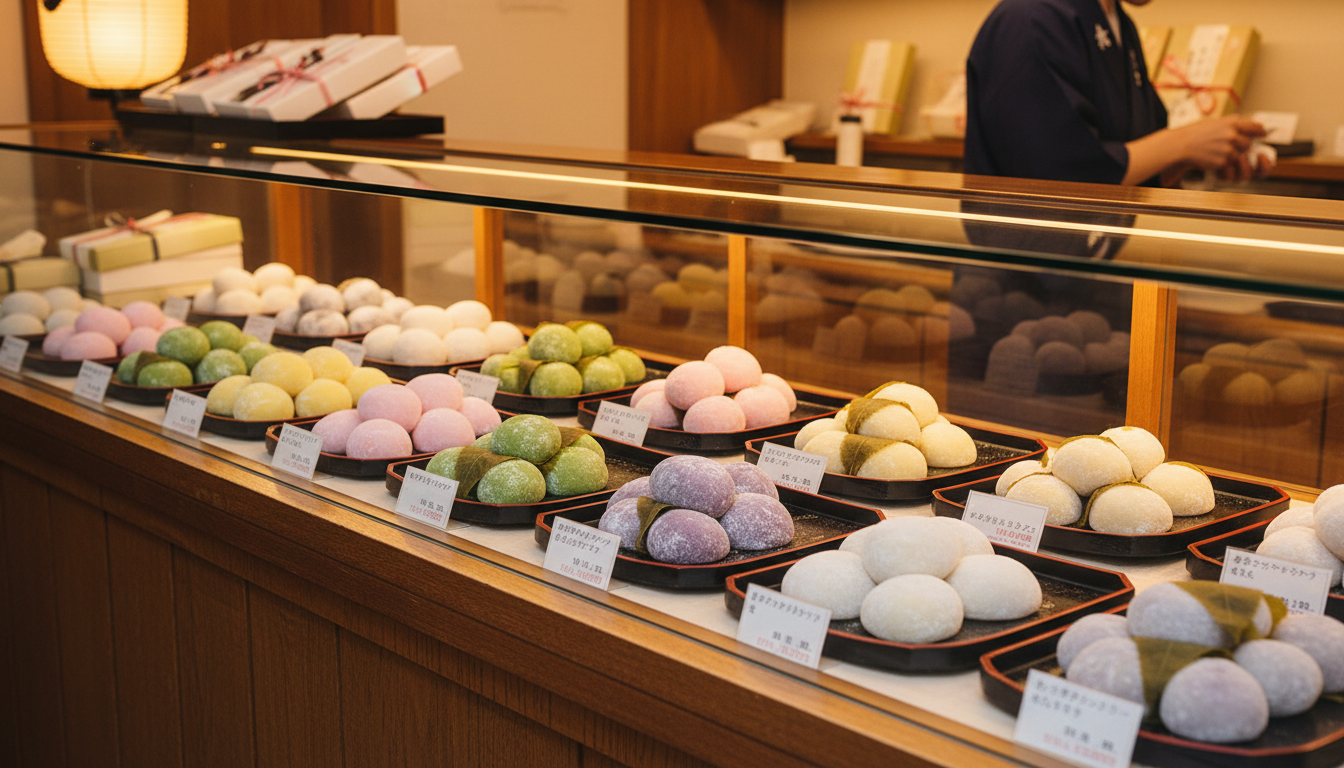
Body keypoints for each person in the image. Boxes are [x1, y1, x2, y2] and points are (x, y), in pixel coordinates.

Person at [964, 0, 1272, 187]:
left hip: (1104, 263)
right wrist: (1183, 143)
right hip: (1024, 269)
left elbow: (1128, 169)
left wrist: (1195, 157)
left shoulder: (1120, 26)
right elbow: (1065, 176)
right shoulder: (1029, 18)